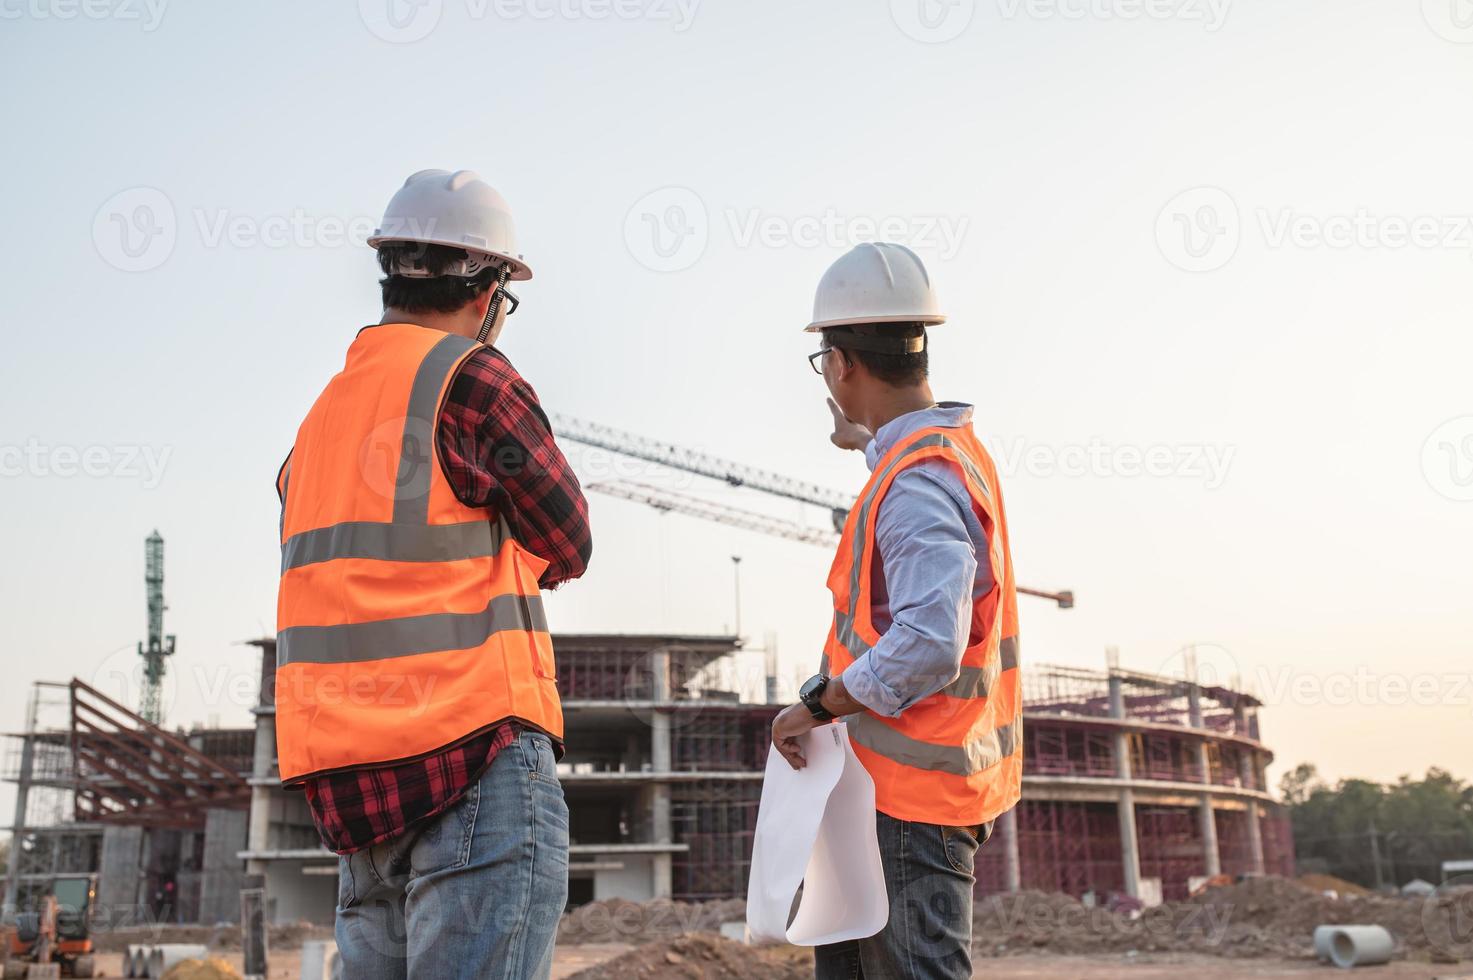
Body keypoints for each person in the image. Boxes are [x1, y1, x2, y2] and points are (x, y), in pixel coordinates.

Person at [273, 170, 590, 979]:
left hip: (353, 796)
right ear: (487, 291)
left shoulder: (319, 420)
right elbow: (569, 539)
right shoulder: (473, 380)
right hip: (472, 760)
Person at [770, 242, 1022, 980]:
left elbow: (926, 642)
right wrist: (864, 440)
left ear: (842, 364)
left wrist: (816, 705)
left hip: (906, 808)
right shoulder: (944, 453)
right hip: (886, 802)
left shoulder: (912, 484)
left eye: (824, 363)